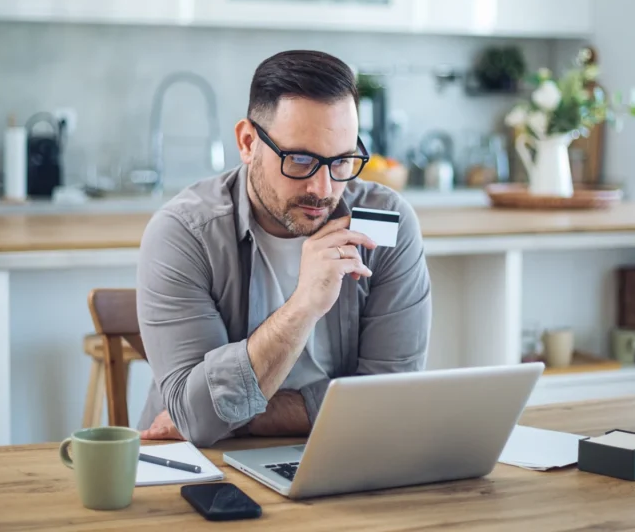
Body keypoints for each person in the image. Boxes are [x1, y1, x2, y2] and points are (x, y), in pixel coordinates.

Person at [135, 50, 432, 447]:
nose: (323, 189)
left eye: (342, 161)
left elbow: (392, 401)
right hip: (206, 465)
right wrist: (304, 306)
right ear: (247, 142)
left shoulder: (384, 222)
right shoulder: (185, 233)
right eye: (301, 159)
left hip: (341, 453)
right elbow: (198, 420)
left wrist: (247, 418)